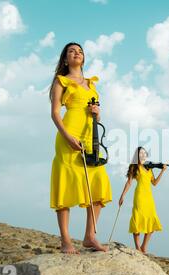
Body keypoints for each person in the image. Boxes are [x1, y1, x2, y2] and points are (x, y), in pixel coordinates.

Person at [49, 42, 112, 254]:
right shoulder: (61, 81)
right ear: (66, 59)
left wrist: (97, 113)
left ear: (83, 58)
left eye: (80, 51)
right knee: (65, 185)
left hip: (90, 137)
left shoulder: (92, 84)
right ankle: (65, 240)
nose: (77, 53)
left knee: (99, 183)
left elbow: (97, 115)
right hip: (69, 135)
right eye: (71, 51)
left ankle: (89, 236)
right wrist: (67, 136)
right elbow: (56, 113)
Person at [118, 147, 166, 254]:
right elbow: (129, 182)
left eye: (144, 153)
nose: (143, 155)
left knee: (152, 221)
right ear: (137, 155)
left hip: (149, 198)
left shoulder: (149, 168)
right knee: (137, 220)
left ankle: (144, 246)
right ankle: (137, 247)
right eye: (141, 153)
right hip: (139, 197)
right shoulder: (134, 167)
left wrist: (162, 171)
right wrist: (122, 196)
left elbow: (154, 183)